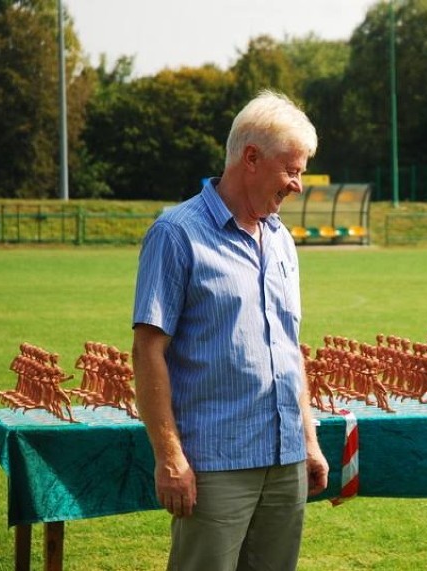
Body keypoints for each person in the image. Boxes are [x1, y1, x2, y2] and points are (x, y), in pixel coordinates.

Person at [132, 90, 329, 571]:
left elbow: (287, 350)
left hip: (285, 461)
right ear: (252, 157)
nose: (298, 185)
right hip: (215, 464)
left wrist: (307, 440)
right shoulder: (176, 233)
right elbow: (147, 351)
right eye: (293, 170)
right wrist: (170, 457)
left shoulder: (281, 240)